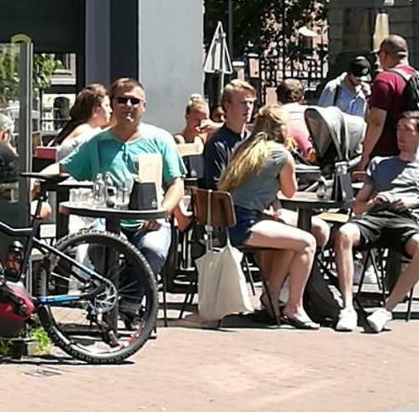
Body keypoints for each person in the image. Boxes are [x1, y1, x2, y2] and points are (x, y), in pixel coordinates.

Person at [39, 78, 185, 282]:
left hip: (150, 221)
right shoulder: (97, 142)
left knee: (152, 250)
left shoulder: (160, 139)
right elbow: (63, 167)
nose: (128, 106)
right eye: (122, 100)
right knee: (101, 248)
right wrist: (35, 181)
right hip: (107, 221)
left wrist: (162, 212)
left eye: (135, 101)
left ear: (144, 106)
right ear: (112, 103)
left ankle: (128, 305)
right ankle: (114, 298)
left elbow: (176, 184)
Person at [331, 111, 419, 333]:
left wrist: (416, 202)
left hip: (406, 220)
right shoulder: (380, 163)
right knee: (344, 233)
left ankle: (386, 310)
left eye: (407, 130)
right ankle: (347, 307)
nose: (400, 135)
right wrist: (374, 201)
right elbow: (357, 206)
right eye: (398, 129)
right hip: (375, 217)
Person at [217, 105, 321, 329]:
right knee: (308, 242)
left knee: (287, 237)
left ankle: (271, 298)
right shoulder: (281, 154)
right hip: (245, 224)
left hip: (228, 221)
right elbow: (290, 191)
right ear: (281, 128)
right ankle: (295, 306)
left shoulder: (243, 148)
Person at [358, 35, 418, 167]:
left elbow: (376, 122)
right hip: (415, 155)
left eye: (379, 55)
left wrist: (365, 156)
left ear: (385, 54)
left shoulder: (385, 79)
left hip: (387, 157)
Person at [201, 80, 256, 190]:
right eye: (243, 102)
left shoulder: (252, 141)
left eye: (251, 102)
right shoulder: (217, 145)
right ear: (227, 105)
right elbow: (216, 187)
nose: (248, 107)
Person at [48, 84, 111, 160]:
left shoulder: (80, 128)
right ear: (95, 111)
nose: (110, 110)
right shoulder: (88, 133)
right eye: (107, 105)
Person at [276, 79, 315, 161]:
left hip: (283, 160)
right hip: (311, 159)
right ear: (302, 97)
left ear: (278, 98)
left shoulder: (275, 115)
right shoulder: (311, 113)